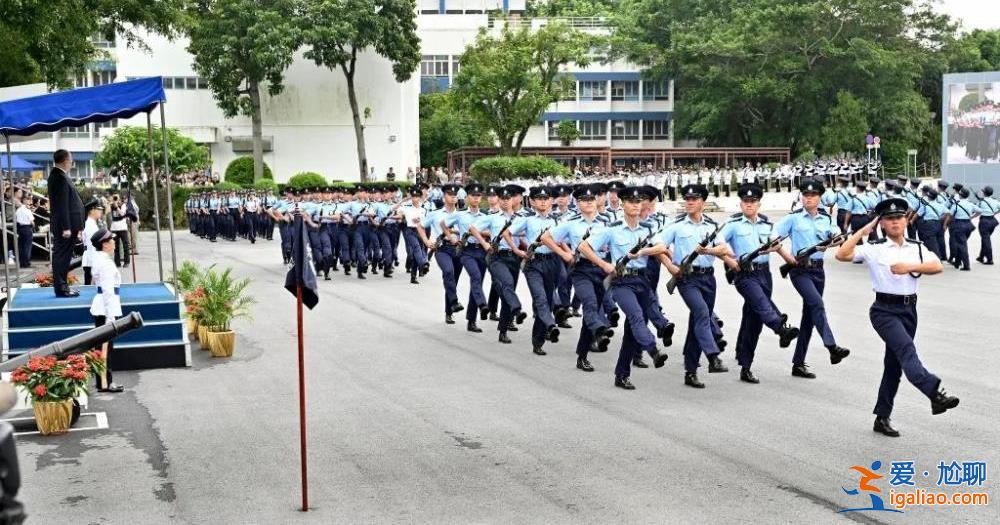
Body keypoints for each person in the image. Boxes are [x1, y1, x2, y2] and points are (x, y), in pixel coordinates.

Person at [834, 198, 959, 437]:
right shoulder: (874, 248)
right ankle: (934, 392)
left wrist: (910, 266)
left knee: (894, 365)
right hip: (884, 311)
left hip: (909, 311)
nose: (895, 222)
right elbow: (842, 254)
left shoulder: (917, 247)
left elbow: (937, 266)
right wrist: (862, 230)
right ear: (881, 224)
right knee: (907, 351)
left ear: (905, 220)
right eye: (889, 219)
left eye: (899, 218)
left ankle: (882, 417)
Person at [579, 186, 669, 390]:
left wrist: (642, 252)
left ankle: (621, 375)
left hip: (643, 282)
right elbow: (583, 247)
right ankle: (654, 350)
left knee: (632, 330)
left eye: (638, 202)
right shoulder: (613, 228)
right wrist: (604, 265)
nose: (636, 205)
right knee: (636, 316)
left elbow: (662, 247)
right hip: (621, 282)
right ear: (623, 204)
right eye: (631, 202)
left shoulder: (646, 229)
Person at [652, 184, 732, 389]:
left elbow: (725, 249)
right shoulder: (677, 225)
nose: (689, 202)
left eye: (694, 199)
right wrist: (670, 265)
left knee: (698, 321)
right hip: (686, 279)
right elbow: (657, 244)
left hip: (708, 278)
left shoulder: (712, 225)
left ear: (702, 203)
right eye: (687, 198)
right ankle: (713, 356)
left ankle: (690, 371)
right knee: (703, 313)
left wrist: (708, 251)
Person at [719, 183, 800, 383]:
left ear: (759, 204)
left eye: (752, 202)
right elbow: (718, 243)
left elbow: (777, 245)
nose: (749, 205)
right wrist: (730, 260)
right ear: (740, 204)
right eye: (745, 202)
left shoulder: (766, 225)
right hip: (744, 275)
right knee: (762, 304)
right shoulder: (733, 224)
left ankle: (745, 363)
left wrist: (791, 261)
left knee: (753, 320)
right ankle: (780, 328)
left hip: (764, 274)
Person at [775, 180, 851, 379]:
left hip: (818, 271)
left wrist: (832, 243)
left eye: (813, 195)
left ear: (819, 198)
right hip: (799, 270)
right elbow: (772, 238)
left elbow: (838, 238)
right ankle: (831, 346)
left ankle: (798, 364)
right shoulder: (793, 219)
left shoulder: (825, 219)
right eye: (805, 195)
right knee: (817, 304)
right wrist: (785, 256)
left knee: (810, 316)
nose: (808, 198)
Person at [89, 228, 125, 393]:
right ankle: (105, 383)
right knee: (105, 349)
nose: (114, 242)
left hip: (103, 306)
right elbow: (108, 291)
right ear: (104, 244)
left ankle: (103, 382)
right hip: (106, 309)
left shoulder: (100, 259)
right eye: (111, 240)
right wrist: (111, 317)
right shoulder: (105, 263)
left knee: (103, 348)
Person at [47, 149, 85, 297]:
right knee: (62, 257)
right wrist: (66, 227)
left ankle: (63, 287)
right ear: (65, 161)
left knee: (65, 256)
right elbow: (61, 205)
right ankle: (62, 288)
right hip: (65, 227)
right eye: (71, 160)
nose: (72, 163)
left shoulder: (60, 176)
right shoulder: (59, 177)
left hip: (69, 225)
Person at [81, 199, 104, 285]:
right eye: (99, 209)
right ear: (92, 210)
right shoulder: (90, 225)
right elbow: (92, 244)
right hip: (91, 258)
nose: (101, 212)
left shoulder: (92, 223)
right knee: (89, 285)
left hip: (91, 257)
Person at [976, 186, 998, 265]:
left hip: (984, 222)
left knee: (986, 240)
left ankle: (990, 260)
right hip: (992, 221)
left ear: (984, 193)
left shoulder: (981, 202)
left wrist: (971, 217)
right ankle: (981, 257)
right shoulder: (995, 201)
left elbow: (977, 210)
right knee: (985, 239)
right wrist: (994, 212)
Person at [109, 193, 131, 267]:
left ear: (119, 198)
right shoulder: (111, 205)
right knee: (115, 246)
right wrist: (110, 202)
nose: (115, 198)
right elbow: (106, 212)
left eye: (116, 197)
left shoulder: (123, 205)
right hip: (114, 228)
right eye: (114, 197)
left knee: (125, 245)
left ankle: (126, 262)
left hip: (122, 228)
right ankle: (117, 262)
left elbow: (122, 214)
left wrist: (117, 207)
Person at [14, 191, 34, 268]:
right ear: (24, 200)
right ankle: (27, 262)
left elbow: (16, 219)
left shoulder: (18, 210)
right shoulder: (27, 210)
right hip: (27, 228)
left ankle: (22, 263)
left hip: (20, 228)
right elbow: (32, 222)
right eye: (28, 199)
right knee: (27, 246)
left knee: (21, 247)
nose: (30, 201)